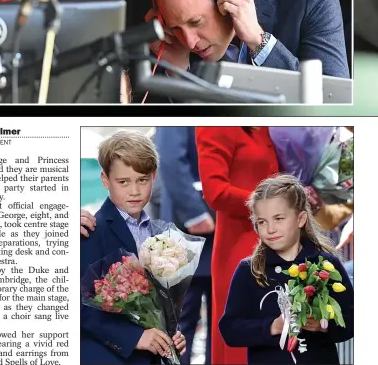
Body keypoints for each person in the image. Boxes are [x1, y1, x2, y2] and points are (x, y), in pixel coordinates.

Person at [146, 0, 349, 80]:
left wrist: (258, 40)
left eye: (196, 22)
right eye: (176, 28)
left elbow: (333, 100)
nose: (189, 43)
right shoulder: (169, 44)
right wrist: (177, 73)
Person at [219, 174, 354, 364]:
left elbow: (352, 320)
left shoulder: (326, 264)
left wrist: (324, 326)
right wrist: (272, 326)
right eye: (262, 222)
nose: (270, 229)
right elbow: (230, 329)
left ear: (300, 219)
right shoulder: (249, 270)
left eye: (279, 218)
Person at [81, 131, 186, 364]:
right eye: (123, 182)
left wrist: (170, 333)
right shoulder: (90, 232)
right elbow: (82, 308)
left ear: (154, 176)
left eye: (142, 179)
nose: (135, 191)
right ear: (105, 180)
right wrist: (135, 337)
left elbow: (160, 302)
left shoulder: (161, 234)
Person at [196, 127, 280, 365]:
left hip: (278, 244)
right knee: (243, 342)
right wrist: (272, 206)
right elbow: (216, 192)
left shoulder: (265, 126)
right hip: (240, 246)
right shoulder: (216, 124)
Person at [155, 128, 214, 365]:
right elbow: (169, 159)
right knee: (179, 325)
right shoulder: (174, 101)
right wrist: (194, 212)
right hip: (187, 228)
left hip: (223, 225)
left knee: (223, 323)